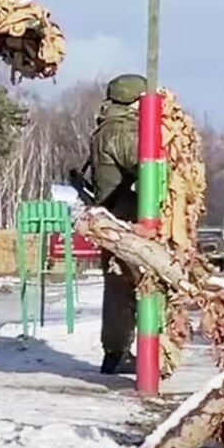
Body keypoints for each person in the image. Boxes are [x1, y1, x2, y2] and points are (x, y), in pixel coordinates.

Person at [88, 74, 145, 374]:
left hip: (112, 216)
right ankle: (123, 354)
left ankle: (115, 351)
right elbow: (149, 168)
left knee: (117, 285)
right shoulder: (125, 132)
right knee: (131, 285)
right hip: (126, 219)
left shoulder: (106, 128)